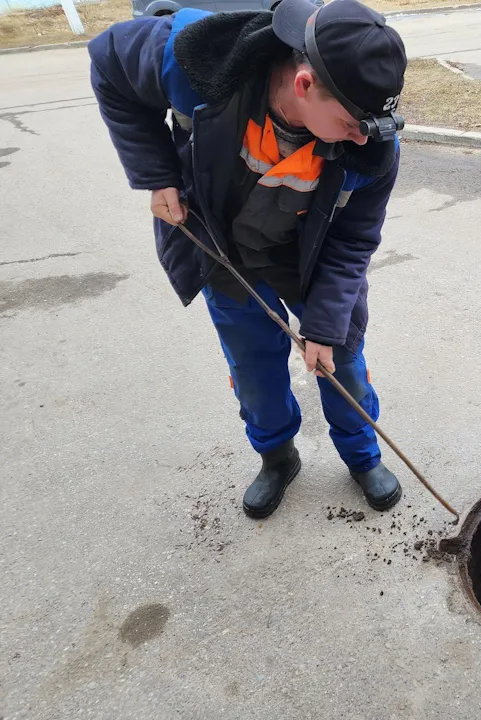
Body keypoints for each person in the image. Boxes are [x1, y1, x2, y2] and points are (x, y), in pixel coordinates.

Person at [89, 0, 408, 518]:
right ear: (304, 84)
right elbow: (109, 61)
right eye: (351, 123)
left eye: (370, 125)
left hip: (310, 254)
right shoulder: (198, 59)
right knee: (253, 365)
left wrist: (323, 327)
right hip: (226, 248)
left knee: (341, 358)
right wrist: (156, 174)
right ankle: (277, 457)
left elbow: (353, 242)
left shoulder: (369, 147)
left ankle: (362, 455)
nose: (361, 137)